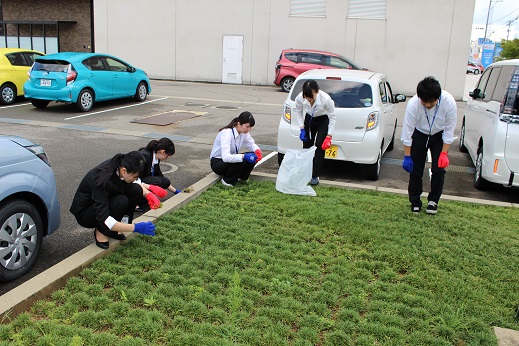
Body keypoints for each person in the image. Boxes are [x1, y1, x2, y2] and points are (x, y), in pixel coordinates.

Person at [70, 151, 157, 249]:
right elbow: (104, 218)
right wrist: (136, 227)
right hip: (87, 212)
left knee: (136, 190)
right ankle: (101, 231)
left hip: (106, 199)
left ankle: (118, 227)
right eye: (135, 176)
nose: (135, 179)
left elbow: (135, 183)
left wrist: (148, 194)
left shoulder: (121, 165)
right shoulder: (101, 178)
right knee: (121, 201)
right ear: (124, 170)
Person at [401, 76, 457, 215]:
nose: (427, 105)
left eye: (431, 102)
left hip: (439, 134)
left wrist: (444, 153)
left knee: (439, 169)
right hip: (420, 133)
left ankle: (433, 201)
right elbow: (407, 132)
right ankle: (415, 202)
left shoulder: (449, 102)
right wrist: (407, 156)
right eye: (424, 102)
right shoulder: (413, 104)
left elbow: (450, 130)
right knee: (416, 169)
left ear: (438, 97)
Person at [295, 79, 336, 185]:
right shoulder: (300, 98)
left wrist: (329, 136)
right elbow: (298, 113)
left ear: (317, 92)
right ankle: (304, 172)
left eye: (311, 98)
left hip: (322, 120)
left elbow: (332, 117)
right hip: (309, 119)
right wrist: (302, 128)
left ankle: (315, 175)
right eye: (307, 99)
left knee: (320, 145)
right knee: (307, 144)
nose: (309, 101)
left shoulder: (326, 99)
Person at [210, 111, 262, 186]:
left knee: (253, 156)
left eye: (250, 127)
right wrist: (243, 156)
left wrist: (257, 151)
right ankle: (227, 181)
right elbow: (226, 157)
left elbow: (251, 143)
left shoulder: (243, 132)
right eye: (247, 127)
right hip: (218, 162)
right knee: (242, 159)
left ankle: (242, 178)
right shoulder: (227, 133)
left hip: (228, 160)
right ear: (239, 124)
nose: (249, 129)